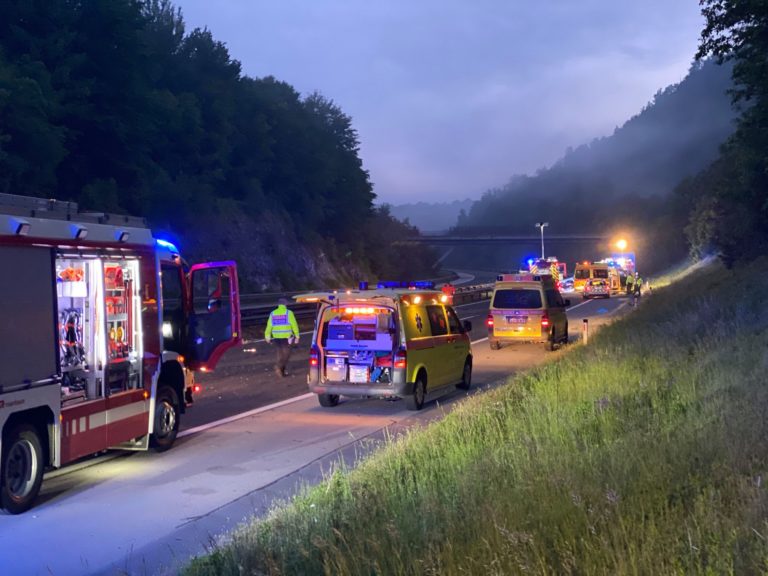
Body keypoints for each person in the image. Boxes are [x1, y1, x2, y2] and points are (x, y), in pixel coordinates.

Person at [265, 297, 300, 377]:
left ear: (278, 305)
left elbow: (269, 326)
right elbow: (294, 325)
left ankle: (282, 372)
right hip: (286, 338)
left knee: (280, 354)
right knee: (286, 355)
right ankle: (279, 367)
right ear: (285, 304)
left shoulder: (273, 313)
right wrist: (297, 336)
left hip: (276, 338)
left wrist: (267, 336)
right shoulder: (288, 313)